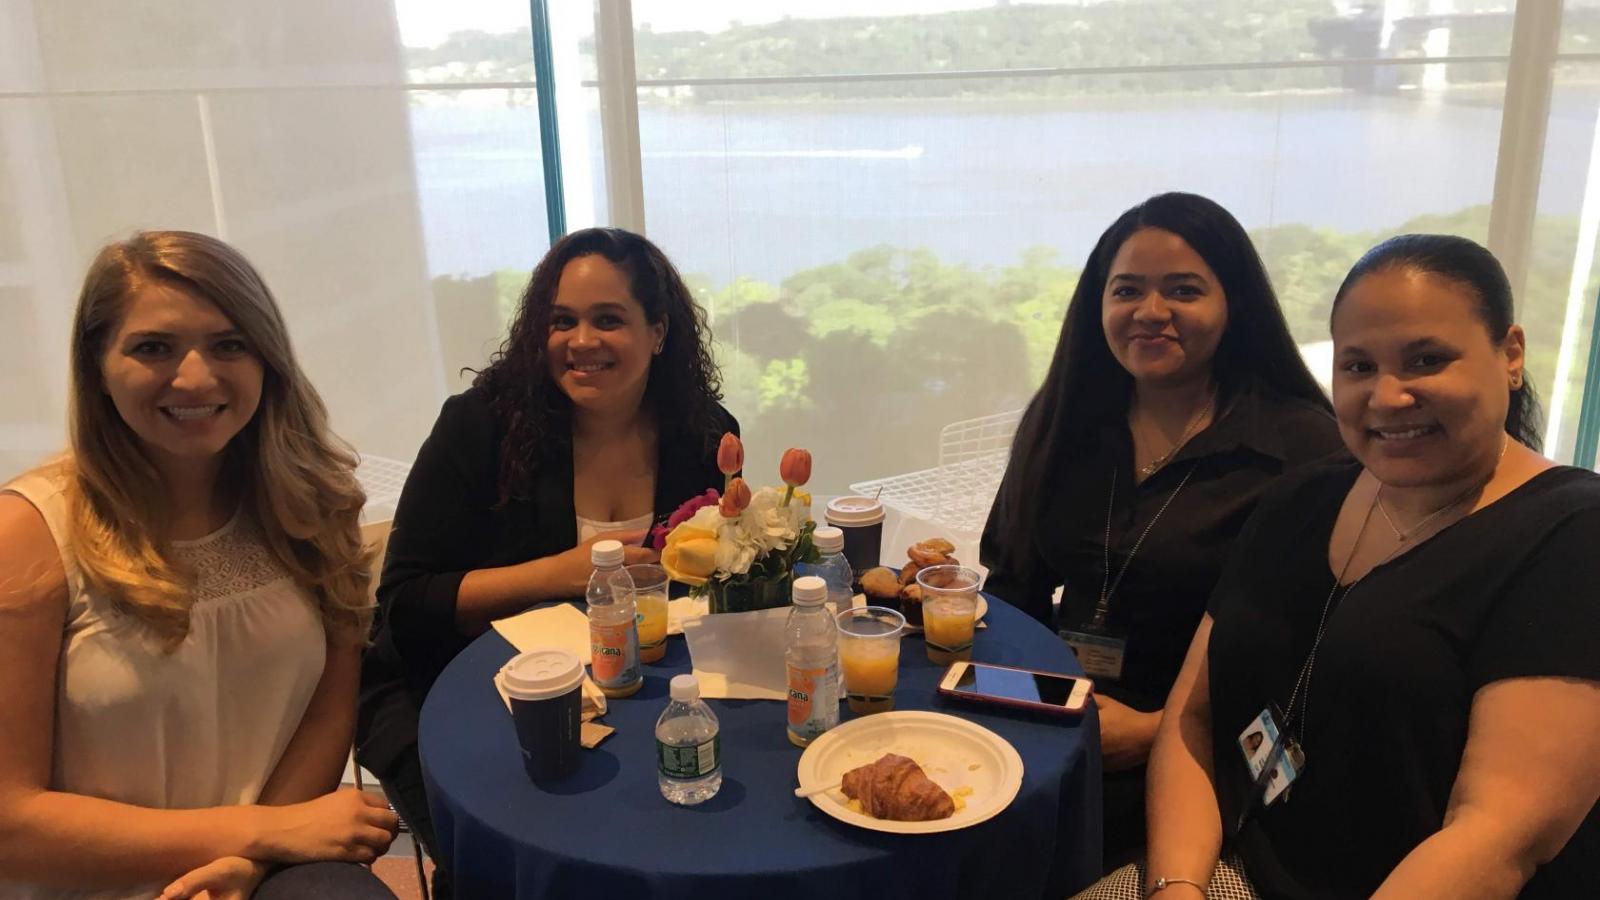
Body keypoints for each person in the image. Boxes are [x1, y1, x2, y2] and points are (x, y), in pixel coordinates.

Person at [1120, 234, 1600, 900]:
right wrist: (1178, 888)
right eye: (1358, 366)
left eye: (1426, 359)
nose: (1388, 396)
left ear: (1510, 355)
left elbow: (1500, 834)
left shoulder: (1571, 532)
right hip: (1230, 870)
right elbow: (1191, 718)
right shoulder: (1301, 498)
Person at [0, 231, 398, 900]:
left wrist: (250, 861)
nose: (195, 377)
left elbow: (329, 712)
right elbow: (10, 823)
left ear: (267, 360)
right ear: (96, 364)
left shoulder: (310, 508)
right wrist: (257, 835)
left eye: (228, 345)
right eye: (153, 347)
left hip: (257, 870)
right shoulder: (27, 539)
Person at [357, 227, 736, 895]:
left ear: (659, 331)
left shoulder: (704, 434)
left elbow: (702, 585)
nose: (582, 341)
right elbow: (405, 607)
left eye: (608, 320)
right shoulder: (479, 428)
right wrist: (566, 571)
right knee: (526, 868)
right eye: (562, 321)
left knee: (682, 843)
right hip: (447, 694)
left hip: (623, 690)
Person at [980, 192, 1341, 866]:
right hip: (1062, 721)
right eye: (1127, 291)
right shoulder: (1066, 422)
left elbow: (1317, 661)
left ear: (1233, 303)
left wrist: (1158, 735)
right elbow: (1012, 588)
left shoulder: (1301, 450)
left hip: (1210, 766)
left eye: (1183, 290)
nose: (1150, 312)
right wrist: (1015, 704)